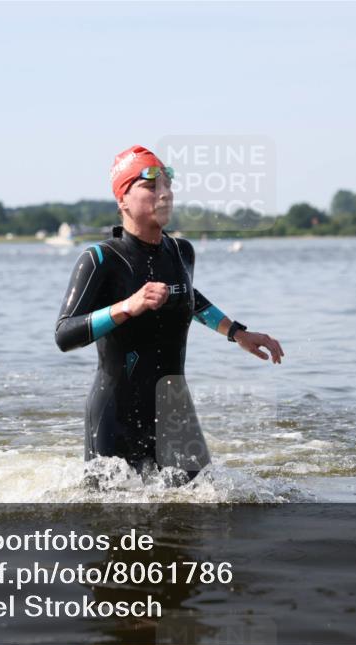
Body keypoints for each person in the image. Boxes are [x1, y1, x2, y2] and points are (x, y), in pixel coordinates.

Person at [54, 145, 284, 480]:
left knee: (204, 509)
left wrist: (237, 333)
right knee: (114, 525)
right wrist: (127, 307)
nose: (165, 195)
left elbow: (189, 297)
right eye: (151, 187)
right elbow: (64, 334)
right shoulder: (100, 260)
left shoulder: (181, 251)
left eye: (168, 186)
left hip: (174, 408)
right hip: (115, 414)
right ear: (123, 200)